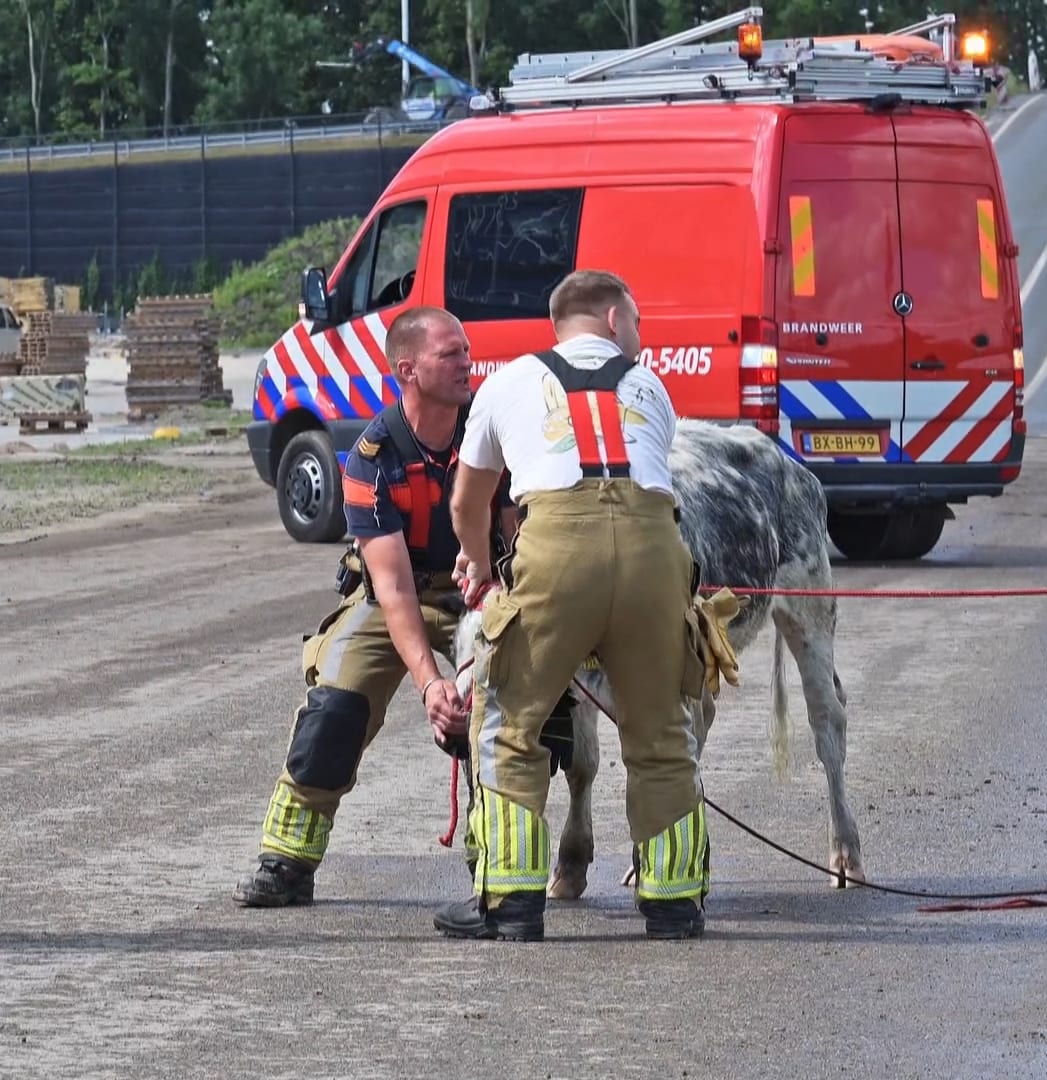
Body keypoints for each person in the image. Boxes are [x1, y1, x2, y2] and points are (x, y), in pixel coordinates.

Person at [234, 305, 564, 907]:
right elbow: (392, 591)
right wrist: (432, 685)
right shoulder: (370, 458)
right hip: (398, 594)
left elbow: (522, 536)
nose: (468, 362)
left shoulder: (492, 433)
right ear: (408, 370)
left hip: (482, 589)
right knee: (335, 704)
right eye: (452, 353)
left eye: (467, 350)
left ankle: (498, 865)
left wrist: (492, 588)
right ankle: (287, 861)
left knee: (516, 703)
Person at [440, 269, 710, 942]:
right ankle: (675, 903)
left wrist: (478, 564)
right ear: (615, 320)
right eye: (639, 326)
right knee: (662, 730)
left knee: (510, 724)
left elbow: (467, 502)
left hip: (557, 552)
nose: (640, 340)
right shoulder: (651, 387)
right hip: (655, 553)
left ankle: (511, 903)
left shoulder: (506, 384)